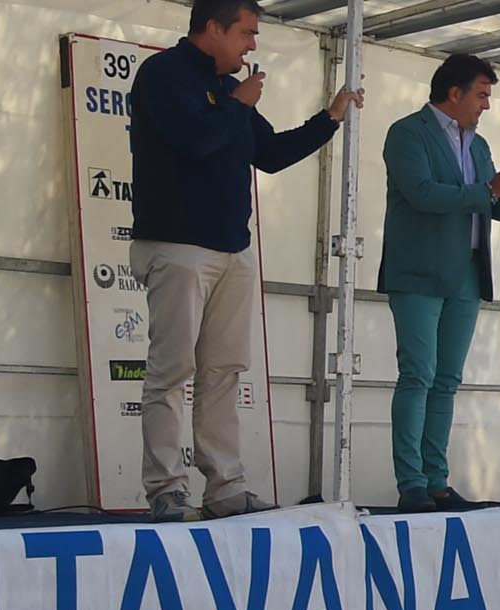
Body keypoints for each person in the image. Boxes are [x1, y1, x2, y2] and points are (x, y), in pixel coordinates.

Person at [129, 0, 363, 521]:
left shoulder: (230, 93)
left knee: (224, 372)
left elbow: (271, 154)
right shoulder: (164, 74)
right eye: (246, 33)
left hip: (232, 248)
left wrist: (329, 119)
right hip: (178, 245)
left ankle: (225, 488)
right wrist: (236, 103)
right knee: (171, 372)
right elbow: (194, 140)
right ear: (213, 28)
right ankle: (167, 490)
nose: (251, 45)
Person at [380, 53, 500, 513]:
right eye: (481, 95)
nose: (486, 106)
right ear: (453, 93)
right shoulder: (406, 133)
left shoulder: (478, 145)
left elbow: (488, 205)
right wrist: (493, 190)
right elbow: (422, 194)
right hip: (416, 271)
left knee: (447, 380)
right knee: (417, 374)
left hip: (466, 273)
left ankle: (436, 480)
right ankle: (411, 482)